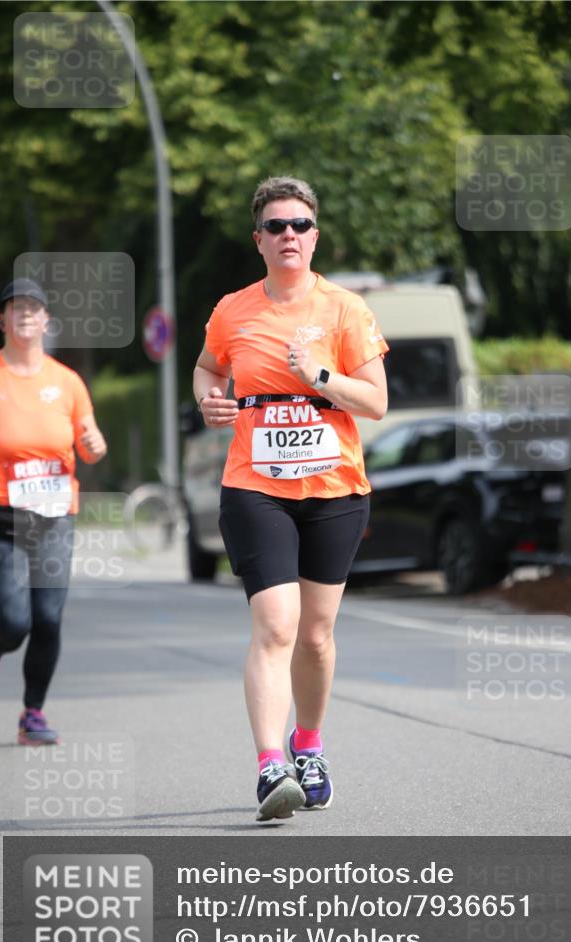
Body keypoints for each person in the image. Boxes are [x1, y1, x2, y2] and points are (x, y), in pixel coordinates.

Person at [193, 177, 388, 821]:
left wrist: (320, 377)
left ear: (315, 235)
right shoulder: (234, 309)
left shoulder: (345, 310)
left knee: (315, 635)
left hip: (333, 489)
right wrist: (208, 398)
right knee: (276, 625)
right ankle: (270, 765)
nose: (288, 236)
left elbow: (378, 403)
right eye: (276, 227)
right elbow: (206, 367)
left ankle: (309, 744)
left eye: (300, 226)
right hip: (255, 488)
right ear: (259, 240)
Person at [0, 277, 107, 744]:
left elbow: (91, 444)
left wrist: (94, 445)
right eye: (16, 309)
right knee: (14, 621)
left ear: (46, 321)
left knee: (49, 618)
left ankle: (32, 713)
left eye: (34, 309)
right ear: (3, 320)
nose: (26, 316)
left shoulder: (66, 381)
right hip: (0, 518)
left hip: (54, 517)